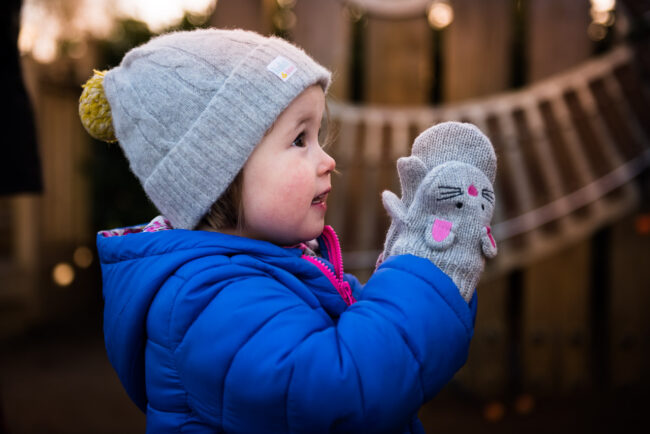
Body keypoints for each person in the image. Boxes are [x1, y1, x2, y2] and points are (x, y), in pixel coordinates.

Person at [79, 28, 496, 433]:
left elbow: (370, 337)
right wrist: (431, 264)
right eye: (300, 139)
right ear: (219, 176)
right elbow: (344, 393)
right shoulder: (205, 302)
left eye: (319, 137)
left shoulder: (279, 266)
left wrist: (406, 261)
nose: (327, 159)